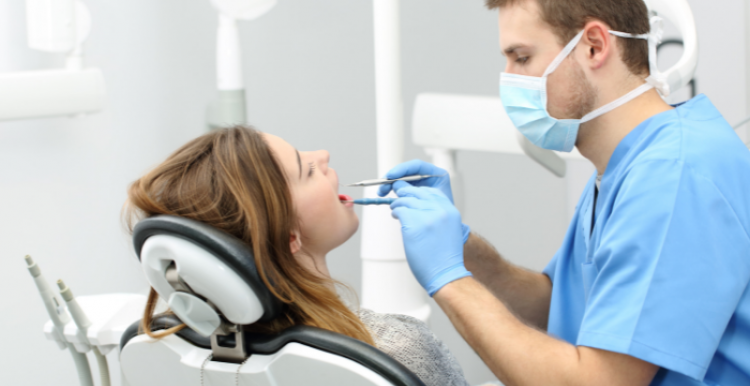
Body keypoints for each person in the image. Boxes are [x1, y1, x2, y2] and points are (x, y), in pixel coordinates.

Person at [379, 0, 750, 385]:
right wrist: (462, 248)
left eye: (522, 58)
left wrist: (450, 281)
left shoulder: (673, 177)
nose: (508, 79)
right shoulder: (627, 165)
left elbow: (598, 381)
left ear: (594, 46)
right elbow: (560, 303)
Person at [123, 126, 469, 386]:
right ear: (290, 236)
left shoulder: (167, 352)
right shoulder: (397, 350)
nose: (324, 154)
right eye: (308, 170)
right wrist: (454, 276)